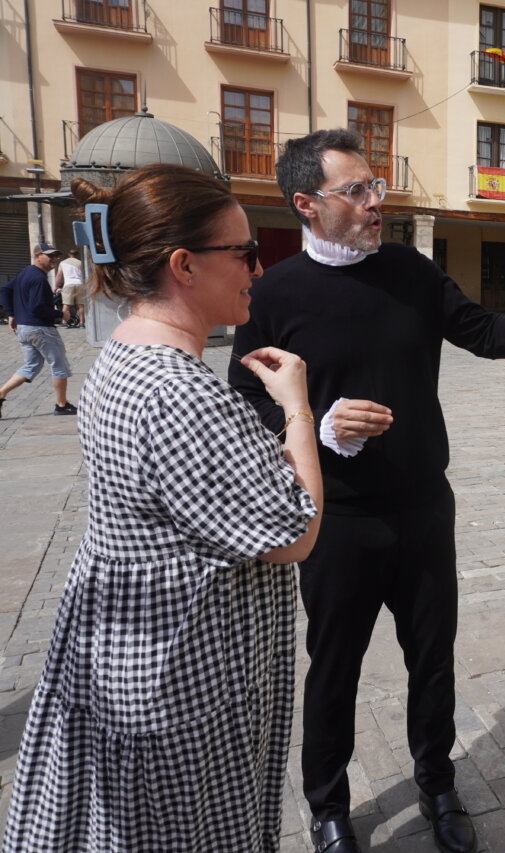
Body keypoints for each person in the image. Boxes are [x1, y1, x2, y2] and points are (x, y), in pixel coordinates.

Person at [227, 128, 505, 853]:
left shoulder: (409, 268)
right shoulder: (273, 294)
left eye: (376, 186)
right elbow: (243, 408)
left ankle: (437, 783)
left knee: (432, 661)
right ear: (307, 204)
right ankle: (328, 805)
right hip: (335, 519)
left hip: (424, 510)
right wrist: (320, 425)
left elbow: (491, 335)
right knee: (334, 667)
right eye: (358, 191)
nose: (378, 201)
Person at [1, 164, 324, 852]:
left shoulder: (121, 356)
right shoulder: (180, 392)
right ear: (184, 264)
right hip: (180, 676)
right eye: (243, 252)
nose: (257, 270)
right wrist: (298, 407)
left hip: (133, 651)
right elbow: (294, 530)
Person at [0, 241, 77, 418]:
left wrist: (11, 314)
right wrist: (60, 315)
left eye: (56, 255)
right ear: (37, 256)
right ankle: (61, 404)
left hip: (24, 329)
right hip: (40, 329)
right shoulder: (38, 279)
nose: (55, 259)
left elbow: (4, 290)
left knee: (31, 365)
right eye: (50, 256)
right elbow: (38, 308)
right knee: (59, 366)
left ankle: (1, 393)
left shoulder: (25, 272)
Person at [56, 247, 85, 327]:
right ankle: (82, 323)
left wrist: (56, 286)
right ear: (77, 255)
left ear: (69, 255)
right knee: (81, 305)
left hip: (68, 284)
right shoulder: (81, 263)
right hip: (80, 284)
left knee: (66, 305)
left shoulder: (62, 263)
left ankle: (64, 322)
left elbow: (59, 275)